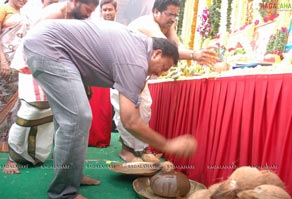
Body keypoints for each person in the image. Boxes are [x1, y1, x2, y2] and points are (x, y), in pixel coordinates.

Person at [23, 19, 197, 199]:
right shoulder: (137, 62)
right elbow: (130, 121)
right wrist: (168, 145)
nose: (158, 74)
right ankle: (63, 193)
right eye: (163, 68)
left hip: (50, 44)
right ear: (157, 54)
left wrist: (83, 79)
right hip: (48, 47)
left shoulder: (139, 46)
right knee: (77, 118)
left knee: (68, 119)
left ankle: (70, 176)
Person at [114, 0, 220, 162]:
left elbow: (176, 46)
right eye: (169, 14)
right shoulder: (147, 23)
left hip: (140, 71)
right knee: (127, 111)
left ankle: (141, 149)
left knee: (145, 108)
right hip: (121, 69)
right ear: (156, 11)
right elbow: (167, 50)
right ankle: (126, 150)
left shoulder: (167, 25)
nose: (173, 19)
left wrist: (196, 54)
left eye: (176, 15)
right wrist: (193, 55)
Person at [3, 0, 99, 176]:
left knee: (61, 115)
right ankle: (12, 158)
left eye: (92, 12)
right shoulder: (53, 13)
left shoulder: (79, 18)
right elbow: (31, 45)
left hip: (60, 66)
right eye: (87, 9)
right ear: (75, 2)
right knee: (30, 111)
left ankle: (64, 165)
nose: (89, 15)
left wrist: (86, 82)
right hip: (33, 63)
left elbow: (78, 51)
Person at [0, 0, 30, 152]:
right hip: (4, 64)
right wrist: (3, 61)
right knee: (3, 100)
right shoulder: (3, 8)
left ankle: (12, 139)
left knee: (17, 102)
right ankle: (2, 140)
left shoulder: (24, 15)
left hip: (19, 66)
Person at [87, 0, 117, 148]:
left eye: (110, 10)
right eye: (104, 10)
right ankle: (89, 138)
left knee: (103, 107)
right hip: (93, 69)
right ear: (100, 12)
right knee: (92, 103)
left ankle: (100, 138)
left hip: (108, 71)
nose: (107, 13)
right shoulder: (95, 27)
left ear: (115, 11)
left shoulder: (120, 29)